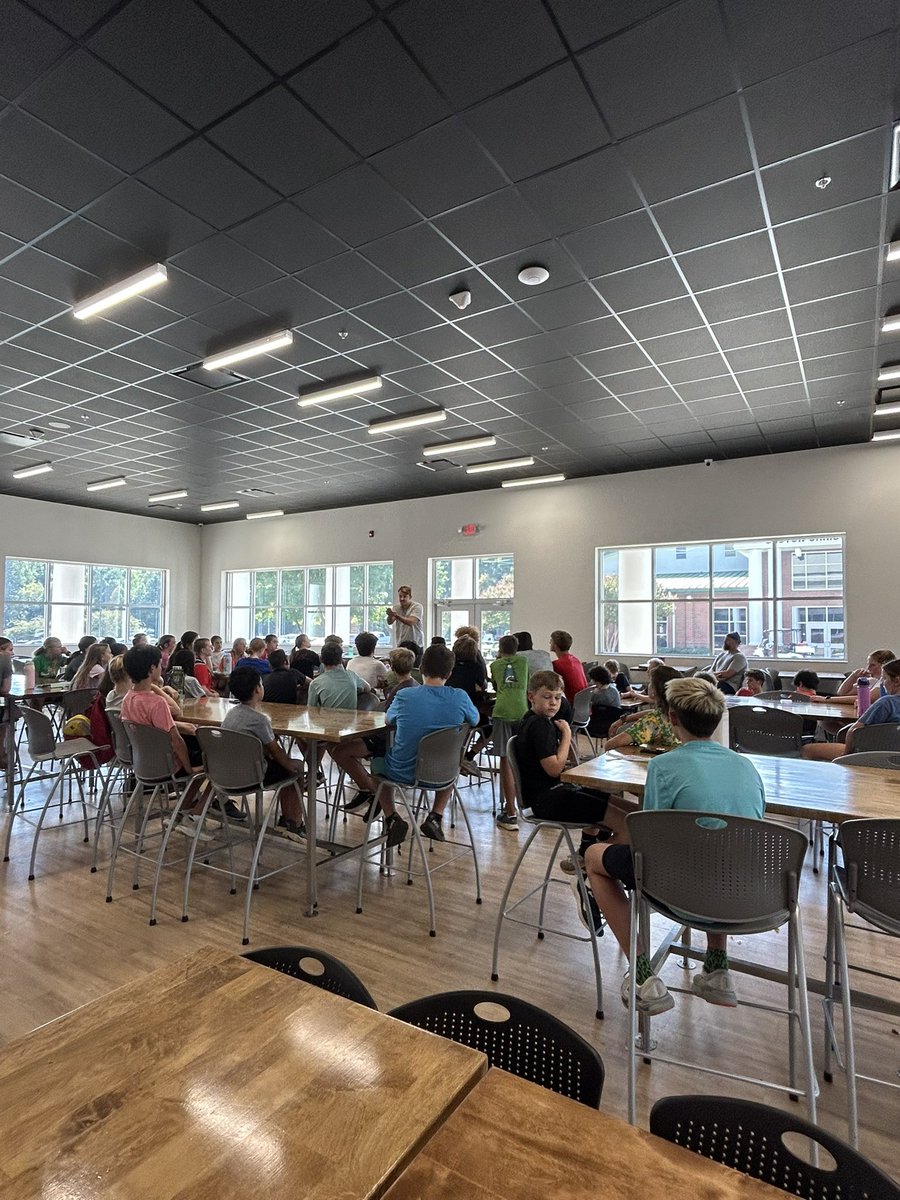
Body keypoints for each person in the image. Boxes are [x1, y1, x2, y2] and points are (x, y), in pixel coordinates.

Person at [583, 677, 765, 1014]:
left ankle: (641, 975)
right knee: (721, 848)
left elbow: (649, 838)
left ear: (672, 718)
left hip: (679, 891)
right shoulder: (747, 766)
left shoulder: (664, 766)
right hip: (745, 893)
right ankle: (716, 964)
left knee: (594, 857)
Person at [348, 644, 479, 845]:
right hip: (443, 773)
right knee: (451, 759)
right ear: (450, 673)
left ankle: (392, 817)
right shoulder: (460, 697)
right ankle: (435, 815)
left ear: (421, 669)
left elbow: (389, 720)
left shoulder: (405, 696)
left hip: (402, 772)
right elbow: (475, 719)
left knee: (378, 763)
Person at [514, 670, 622, 872]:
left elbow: (564, 763)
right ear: (531, 697)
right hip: (547, 800)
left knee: (615, 803)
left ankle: (585, 852)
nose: (553, 703)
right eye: (546, 697)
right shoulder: (539, 726)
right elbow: (554, 769)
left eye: (557, 697)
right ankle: (592, 861)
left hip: (554, 793)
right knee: (629, 824)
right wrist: (566, 734)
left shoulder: (537, 720)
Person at [119, 646, 229, 820]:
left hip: (145, 763)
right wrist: (188, 767)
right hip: (169, 765)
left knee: (201, 763)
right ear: (152, 669)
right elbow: (176, 740)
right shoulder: (157, 703)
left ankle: (183, 812)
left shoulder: (128, 699)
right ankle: (198, 813)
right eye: (159, 665)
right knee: (217, 762)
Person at [223, 667, 305, 840]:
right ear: (257, 689)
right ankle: (293, 823)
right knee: (295, 768)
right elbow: (276, 751)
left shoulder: (230, 714)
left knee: (285, 768)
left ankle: (289, 821)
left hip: (227, 773)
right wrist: (293, 765)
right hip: (253, 776)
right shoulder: (259, 719)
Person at [802, 657, 900, 760]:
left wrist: (846, 755)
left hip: (870, 753)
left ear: (896, 681)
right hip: (894, 755)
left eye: (884, 679)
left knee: (806, 749)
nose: (882, 683)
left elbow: (854, 731)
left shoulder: (885, 703)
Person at [491, 634, 530, 832]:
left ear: (500, 648)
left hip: (502, 712)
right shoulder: (524, 662)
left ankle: (510, 811)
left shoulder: (495, 665)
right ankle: (527, 805)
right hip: (522, 711)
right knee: (520, 760)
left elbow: (497, 687)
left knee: (505, 761)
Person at [605, 664, 681, 752]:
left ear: (655, 690)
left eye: (650, 682)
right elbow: (655, 712)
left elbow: (610, 745)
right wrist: (625, 719)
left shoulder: (653, 720)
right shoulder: (681, 713)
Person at [447, 635, 488, 707]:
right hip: (471, 704)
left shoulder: (449, 666)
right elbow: (482, 685)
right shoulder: (477, 667)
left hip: (450, 703)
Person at [550, 630, 587, 706]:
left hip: (570, 704)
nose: (549, 643)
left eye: (551, 641)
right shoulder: (576, 660)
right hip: (582, 705)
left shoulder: (557, 664)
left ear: (555, 645)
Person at [586, 665, 622, 740]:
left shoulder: (597, 695)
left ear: (598, 680)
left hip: (595, 725)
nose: (592, 681)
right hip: (613, 724)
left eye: (593, 680)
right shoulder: (614, 690)